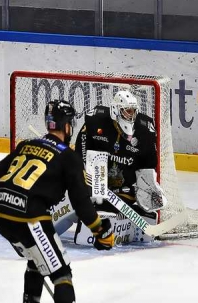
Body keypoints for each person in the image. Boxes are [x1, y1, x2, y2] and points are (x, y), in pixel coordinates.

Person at [0, 100, 114, 303]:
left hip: (2, 217)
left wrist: (7, 205)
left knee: (37, 260)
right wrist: (100, 229)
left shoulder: (27, 145)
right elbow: (81, 202)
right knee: (61, 271)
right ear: (68, 127)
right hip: (30, 220)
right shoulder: (68, 157)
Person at [58, 90, 166, 245]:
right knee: (75, 198)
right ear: (116, 110)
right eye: (127, 111)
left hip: (124, 195)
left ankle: (106, 218)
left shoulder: (144, 130)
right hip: (96, 187)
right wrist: (84, 175)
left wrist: (148, 186)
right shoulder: (96, 120)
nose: (131, 115)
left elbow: (149, 165)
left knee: (109, 210)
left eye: (133, 111)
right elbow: (81, 150)